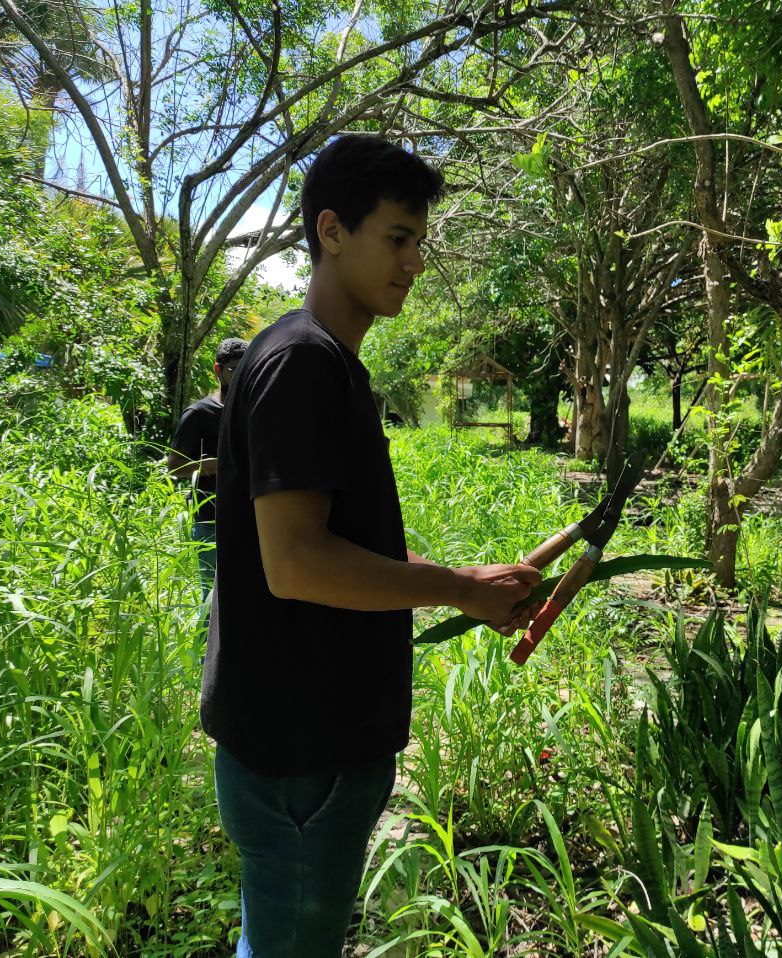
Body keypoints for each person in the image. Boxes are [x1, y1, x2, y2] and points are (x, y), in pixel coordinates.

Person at [201, 134, 541, 958]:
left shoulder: (322, 362)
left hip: (307, 740)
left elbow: (331, 540)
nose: (415, 262)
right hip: (299, 753)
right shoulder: (300, 367)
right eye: (398, 238)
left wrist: (446, 576)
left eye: (420, 241)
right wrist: (457, 589)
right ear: (331, 231)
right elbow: (295, 564)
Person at [168, 337, 249, 602]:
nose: (241, 375)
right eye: (233, 369)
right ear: (218, 370)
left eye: (247, 368)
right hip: (210, 519)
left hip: (251, 516)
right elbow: (175, 467)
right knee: (213, 599)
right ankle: (206, 644)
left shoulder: (252, 411)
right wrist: (216, 465)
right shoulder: (199, 413)